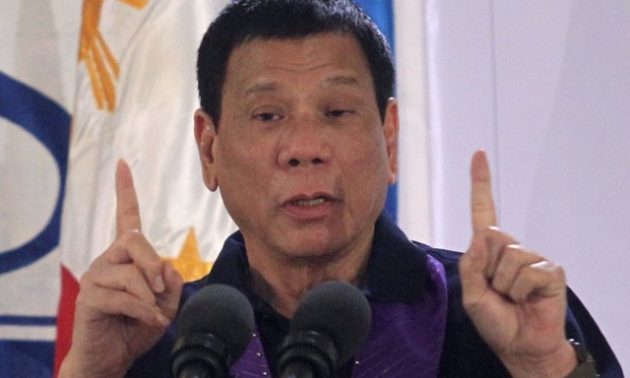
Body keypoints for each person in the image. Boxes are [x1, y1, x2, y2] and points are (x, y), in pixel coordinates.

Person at [58, 0, 622, 377]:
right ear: (210, 150)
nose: (306, 146)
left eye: (337, 111)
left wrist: (547, 365)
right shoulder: (159, 337)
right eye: (268, 115)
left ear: (390, 137)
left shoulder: (497, 317)